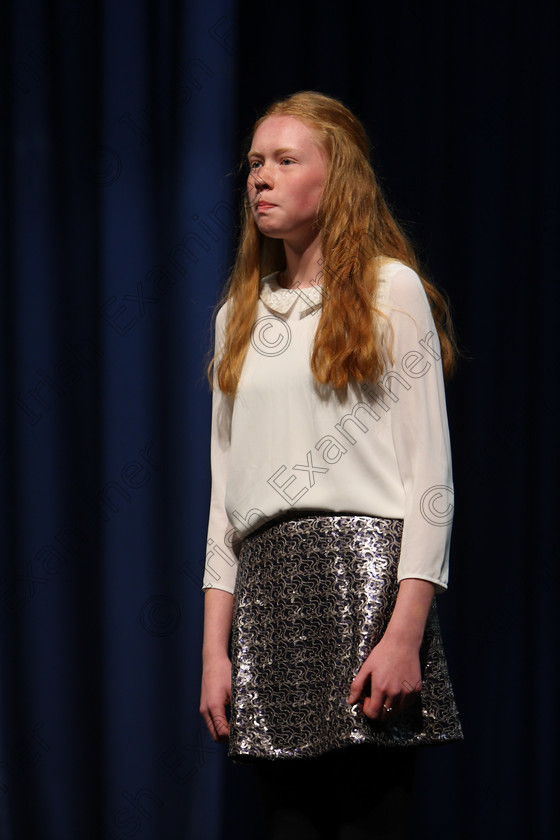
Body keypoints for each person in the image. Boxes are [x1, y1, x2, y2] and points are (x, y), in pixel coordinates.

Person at [200, 91, 462, 839]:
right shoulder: (237, 319)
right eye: (255, 162)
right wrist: (214, 652)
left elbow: (431, 481)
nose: (261, 177)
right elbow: (226, 503)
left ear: (335, 178)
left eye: (285, 160)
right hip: (270, 599)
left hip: (366, 589)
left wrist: (405, 631)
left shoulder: (389, 291)